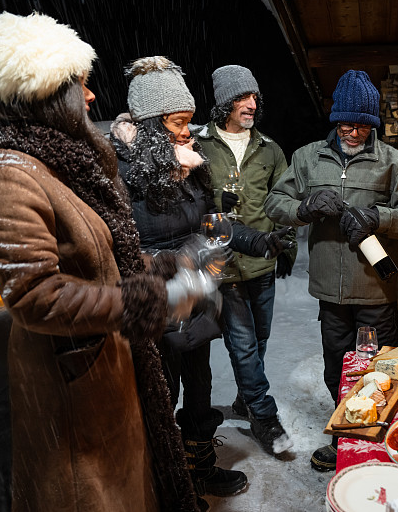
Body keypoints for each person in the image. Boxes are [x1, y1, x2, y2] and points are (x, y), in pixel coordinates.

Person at [0, 13, 208, 512]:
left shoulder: (65, 164)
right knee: (89, 495)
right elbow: (34, 297)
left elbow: (102, 256)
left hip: (107, 373)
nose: (92, 95)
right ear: (45, 94)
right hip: (71, 388)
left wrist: (158, 266)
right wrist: (138, 302)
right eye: (79, 84)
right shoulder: (8, 174)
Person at [110, 56, 295, 500]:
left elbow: (212, 222)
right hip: (156, 306)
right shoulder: (122, 174)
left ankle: (200, 466)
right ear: (152, 123)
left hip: (194, 301)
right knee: (160, 395)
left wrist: (257, 241)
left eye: (188, 121)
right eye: (177, 122)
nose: (186, 131)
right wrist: (171, 266)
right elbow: (119, 248)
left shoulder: (188, 166)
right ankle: (166, 484)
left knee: (199, 389)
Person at [264, 69, 398, 471]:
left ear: (373, 124)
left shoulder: (393, 163)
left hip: (375, 291)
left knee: (380, 373)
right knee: (336, 370)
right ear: (335, 120)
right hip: (330, 292)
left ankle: (378, 443)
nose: (353, 133)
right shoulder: (308, 158)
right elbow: (274, 203)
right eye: (346, 124)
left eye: (362, 126)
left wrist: (378, 217)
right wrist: (305, 207)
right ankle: (347, 435)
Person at [192, 65, 296, 456]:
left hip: (262, 261)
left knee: (260, 337)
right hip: (222, 264)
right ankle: (263, 415)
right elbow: (190, 204)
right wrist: (216, 206)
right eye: (242, 98)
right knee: (244, 344)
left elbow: (285, 201)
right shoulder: (200, 145)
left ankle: (245, 397)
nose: (251, 104)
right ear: (224, 103)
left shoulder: (269, 149)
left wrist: (287, 247)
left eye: (254, 97)